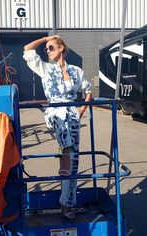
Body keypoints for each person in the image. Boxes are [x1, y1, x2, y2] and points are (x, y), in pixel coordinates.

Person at [23, 35, 92, 219]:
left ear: (61, 48)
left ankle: (67, 204)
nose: (48, 51)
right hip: (56, 113)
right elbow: (28, 49)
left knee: (74, 161)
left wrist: (81, 110)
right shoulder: (45, 69)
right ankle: (65, 154)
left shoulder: (76, 71)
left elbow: (88, 89)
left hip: (73, 115)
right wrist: (46, 38)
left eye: (51, 47)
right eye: (46, 49)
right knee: (67, 148)